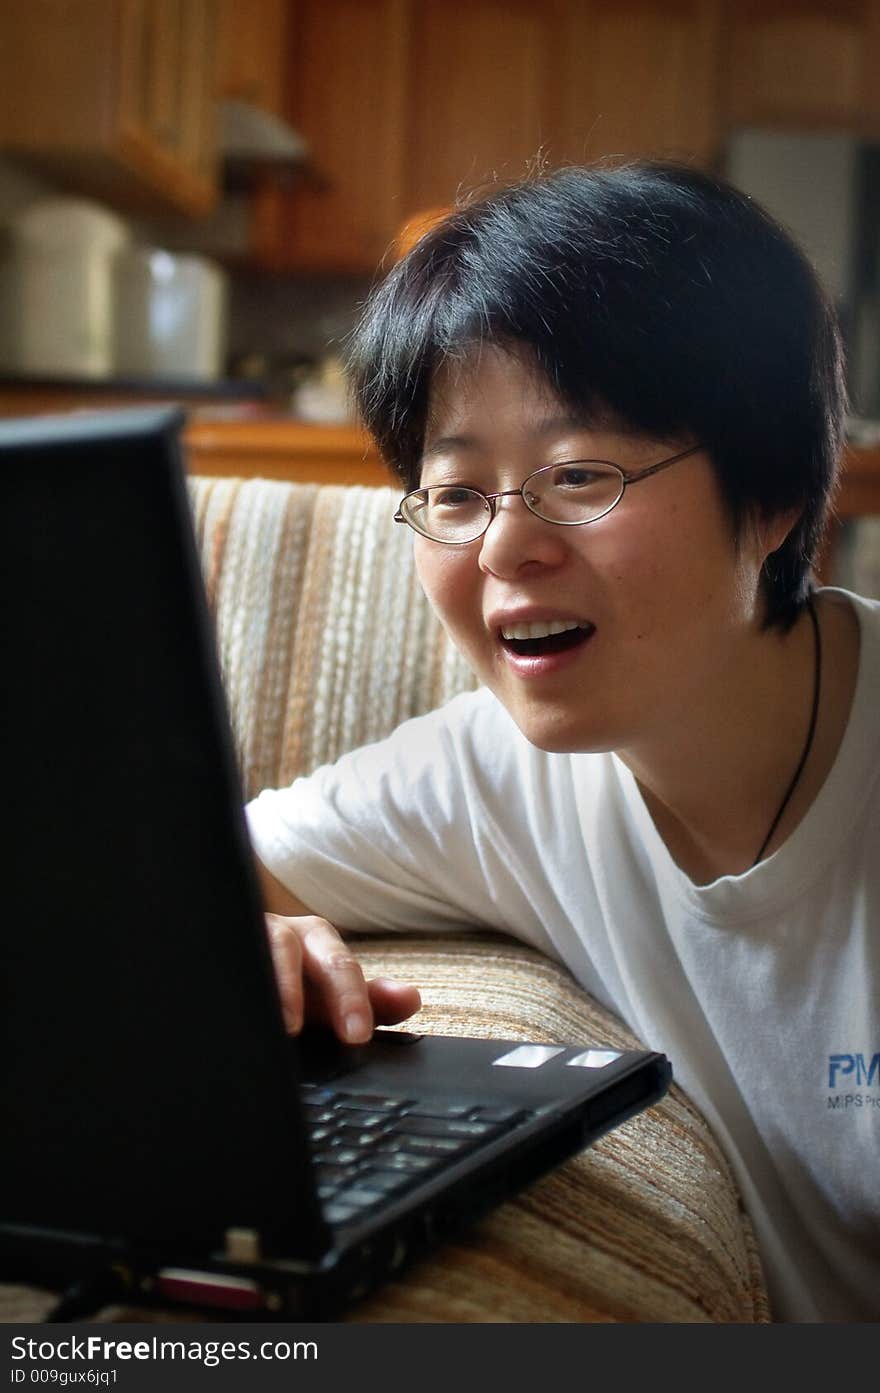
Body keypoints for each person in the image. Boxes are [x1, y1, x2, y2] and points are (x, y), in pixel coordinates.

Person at [245, 161, 879, 1323]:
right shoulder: (491, 774)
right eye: (453, 490)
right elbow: (166, 879)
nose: (500, 548)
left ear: (775, 491)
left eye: (577, 473)